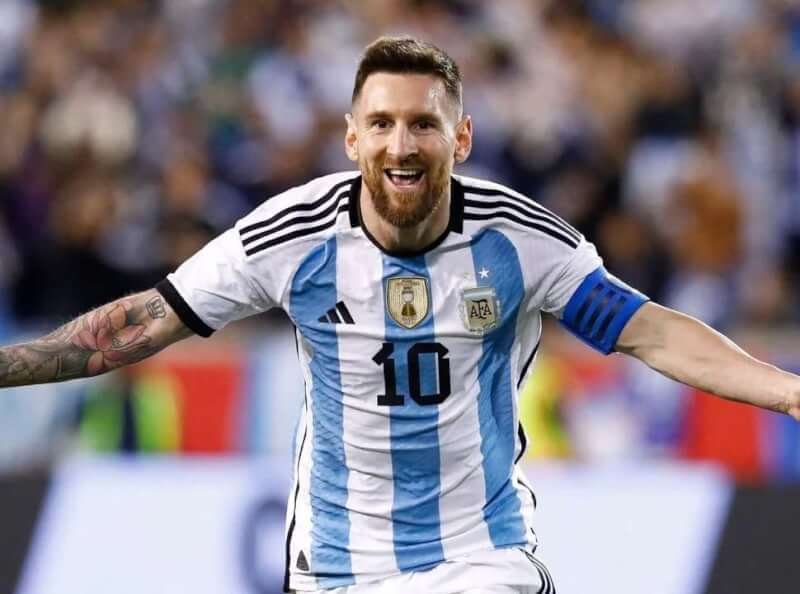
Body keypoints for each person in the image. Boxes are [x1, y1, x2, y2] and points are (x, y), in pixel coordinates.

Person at [1, 36, 799, 594]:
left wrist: (789, 392)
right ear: (352, 138)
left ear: (462, 137)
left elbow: (650, 331)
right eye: (381, 123)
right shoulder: (290, 237)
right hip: (339, 566)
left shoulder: (522, 242)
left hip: (480, 556)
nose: (401, 143)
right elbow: (141, 324)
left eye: (423, 123)